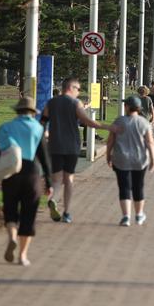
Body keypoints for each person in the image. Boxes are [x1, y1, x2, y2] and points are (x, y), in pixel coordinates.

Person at [40, 77, 112, 223]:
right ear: (71, 88)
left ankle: (53, 199)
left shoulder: (51, 102)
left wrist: (45, 135)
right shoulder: (75, 103)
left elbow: (42, 122)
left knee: (57, 178)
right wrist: (107, 127)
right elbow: (87, 121)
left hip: (55, 145)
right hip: (71, 145)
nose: (78, 92)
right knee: (69, 179)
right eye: (78, 89)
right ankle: (66, 212)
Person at [0, 97, 52, 266]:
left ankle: (12, 237)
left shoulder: (6, 128)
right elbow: (44, 157)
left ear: (17, 111)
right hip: (32, 174)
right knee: (29, 215)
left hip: (11, 173)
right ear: (33, 113)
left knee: (10, 210)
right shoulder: (38, 129)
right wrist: (48, 182)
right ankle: (22, 256)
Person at [106, 96, 154, 227]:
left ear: (127, 107)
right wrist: (153, 159)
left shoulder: (119, 121)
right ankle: (139, 215)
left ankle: (126, 216)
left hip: (121, 159)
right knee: (138, 187)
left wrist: (108, 155)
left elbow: (110, 140)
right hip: (139, 160)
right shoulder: (144, 122)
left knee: (124, 187)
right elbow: (150, 142)